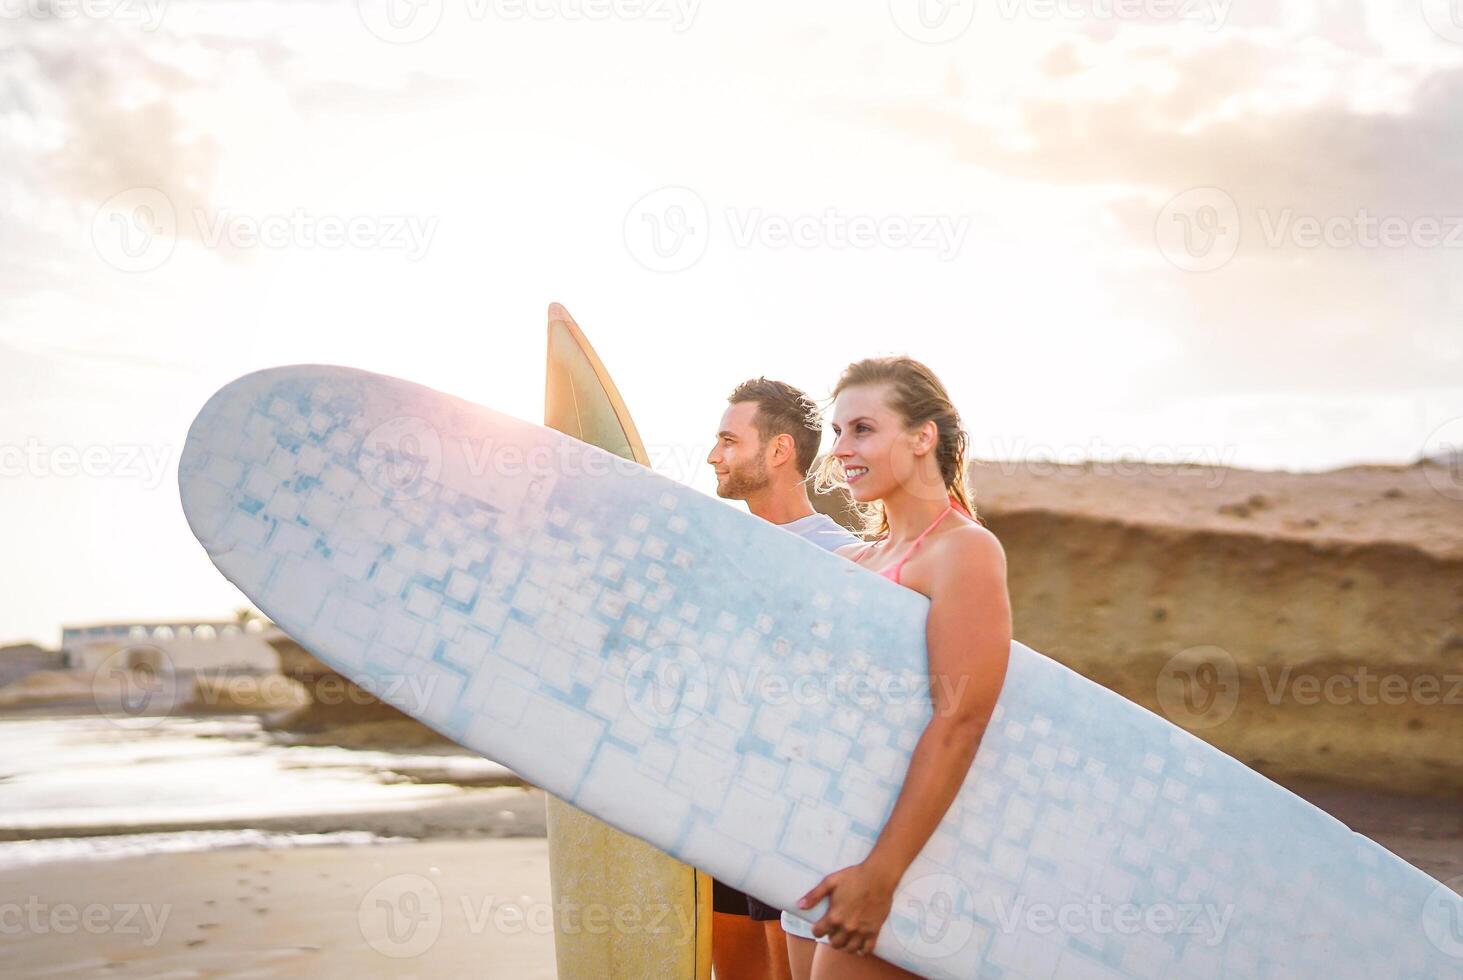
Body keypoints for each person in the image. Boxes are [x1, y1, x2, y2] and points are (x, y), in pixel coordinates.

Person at [782, 356, 1013, 979]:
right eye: (836, 432)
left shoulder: (962, 551)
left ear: (921, 437)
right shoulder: (860, 559)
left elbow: (961, 719)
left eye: (862, 429)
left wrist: (882, 876)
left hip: (902, 858)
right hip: (827, 841)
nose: (840, 449)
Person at [704, 377, 861, 980]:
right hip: (716, 807)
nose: (713, 455)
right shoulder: (719, 550)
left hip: (789, 814)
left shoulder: (840, 559)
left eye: (726, 440)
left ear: (778, 451)